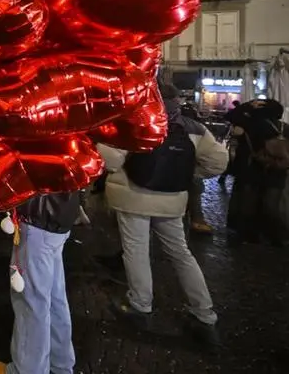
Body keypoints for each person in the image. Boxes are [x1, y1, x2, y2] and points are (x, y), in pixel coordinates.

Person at [100, 83, 228, 346]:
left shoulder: (133, 122)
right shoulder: (193, 127)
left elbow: (111, 160)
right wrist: (187, 175)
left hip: (133, 197)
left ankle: (140, 305)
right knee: (181, 253)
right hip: (172, 200)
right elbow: (218, 162)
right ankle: (204, 314)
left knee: (136, 250)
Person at [0, 191, 80, 374]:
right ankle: (60, 363)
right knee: (55, 298)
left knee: (31, 302)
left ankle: (26, 370)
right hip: (60, 214)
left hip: (38, 217)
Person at [226, 98, 288, 245]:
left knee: (248, 203)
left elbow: (230, 116)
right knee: (272, 204)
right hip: (277, 169)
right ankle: (275, 236)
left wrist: (247, 105)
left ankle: (248, 235)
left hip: (252, 169)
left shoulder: (251, 125)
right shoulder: (285, 127)